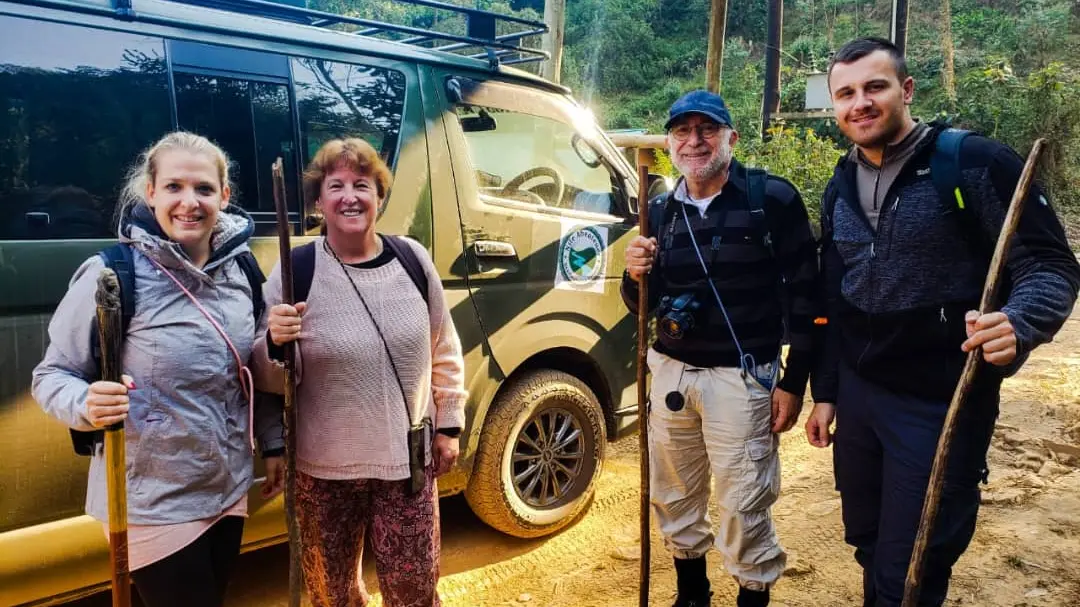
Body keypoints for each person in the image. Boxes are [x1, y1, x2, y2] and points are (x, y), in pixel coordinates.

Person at [806, 37, 1080, 606]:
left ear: (906, 90)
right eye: (846, 93)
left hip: (940, 397)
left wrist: (1019, 321)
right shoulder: (840, 184)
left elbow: (1050, 265)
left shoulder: (973, 163)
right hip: (861, 395)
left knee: (917, 558)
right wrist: (826, 392)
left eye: (874, 87)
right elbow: (835, 293)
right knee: (868, 541)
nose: (860, 103)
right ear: (833, 105)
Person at [32, 131, 286, 607]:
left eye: (204, 189)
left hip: (227, 485)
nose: (189, 202)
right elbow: (51, 376)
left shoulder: (243, 270)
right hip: (149, 498)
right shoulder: (110, 273)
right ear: (150, 193)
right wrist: (86, 402)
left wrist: (273, 443)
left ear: (224, 197)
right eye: (173, 187)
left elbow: (248, 371)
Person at [622, 90, 819, 607]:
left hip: (742, 377)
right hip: (671, 371)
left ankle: (752, 595)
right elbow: (640, 305)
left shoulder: (771, 199)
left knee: (743, 501)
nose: (694, 141)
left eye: (706, 129)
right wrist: (633, 272)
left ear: (731, 137)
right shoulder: (658, 210)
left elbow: (808, 297)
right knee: (674, 492)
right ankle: (693, 596)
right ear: (670, 144)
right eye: (682, 132)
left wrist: (794, 382)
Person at [252, 138, 467, 607]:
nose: (350, 196)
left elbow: (444, 346)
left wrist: (448, 423)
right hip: (322, 469)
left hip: (405, 462)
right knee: (332, 593)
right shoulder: (296, 269)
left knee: (413, 591)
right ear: (318, 202)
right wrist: (274, 343)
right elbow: (266, 379)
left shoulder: (412, 259)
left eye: (362, 184)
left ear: (379, 196)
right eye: (336, 185)